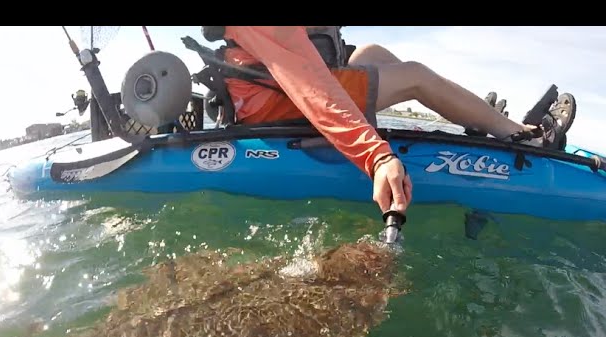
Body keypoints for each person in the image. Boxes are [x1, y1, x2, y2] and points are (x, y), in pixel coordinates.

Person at [192, 26, 577, 215]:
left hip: (283, 82)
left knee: (372, 50)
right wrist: (376, 156)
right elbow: (313, 91)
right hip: (277, 97)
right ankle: (523, 137)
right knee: (415, 76)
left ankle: (477, 113)